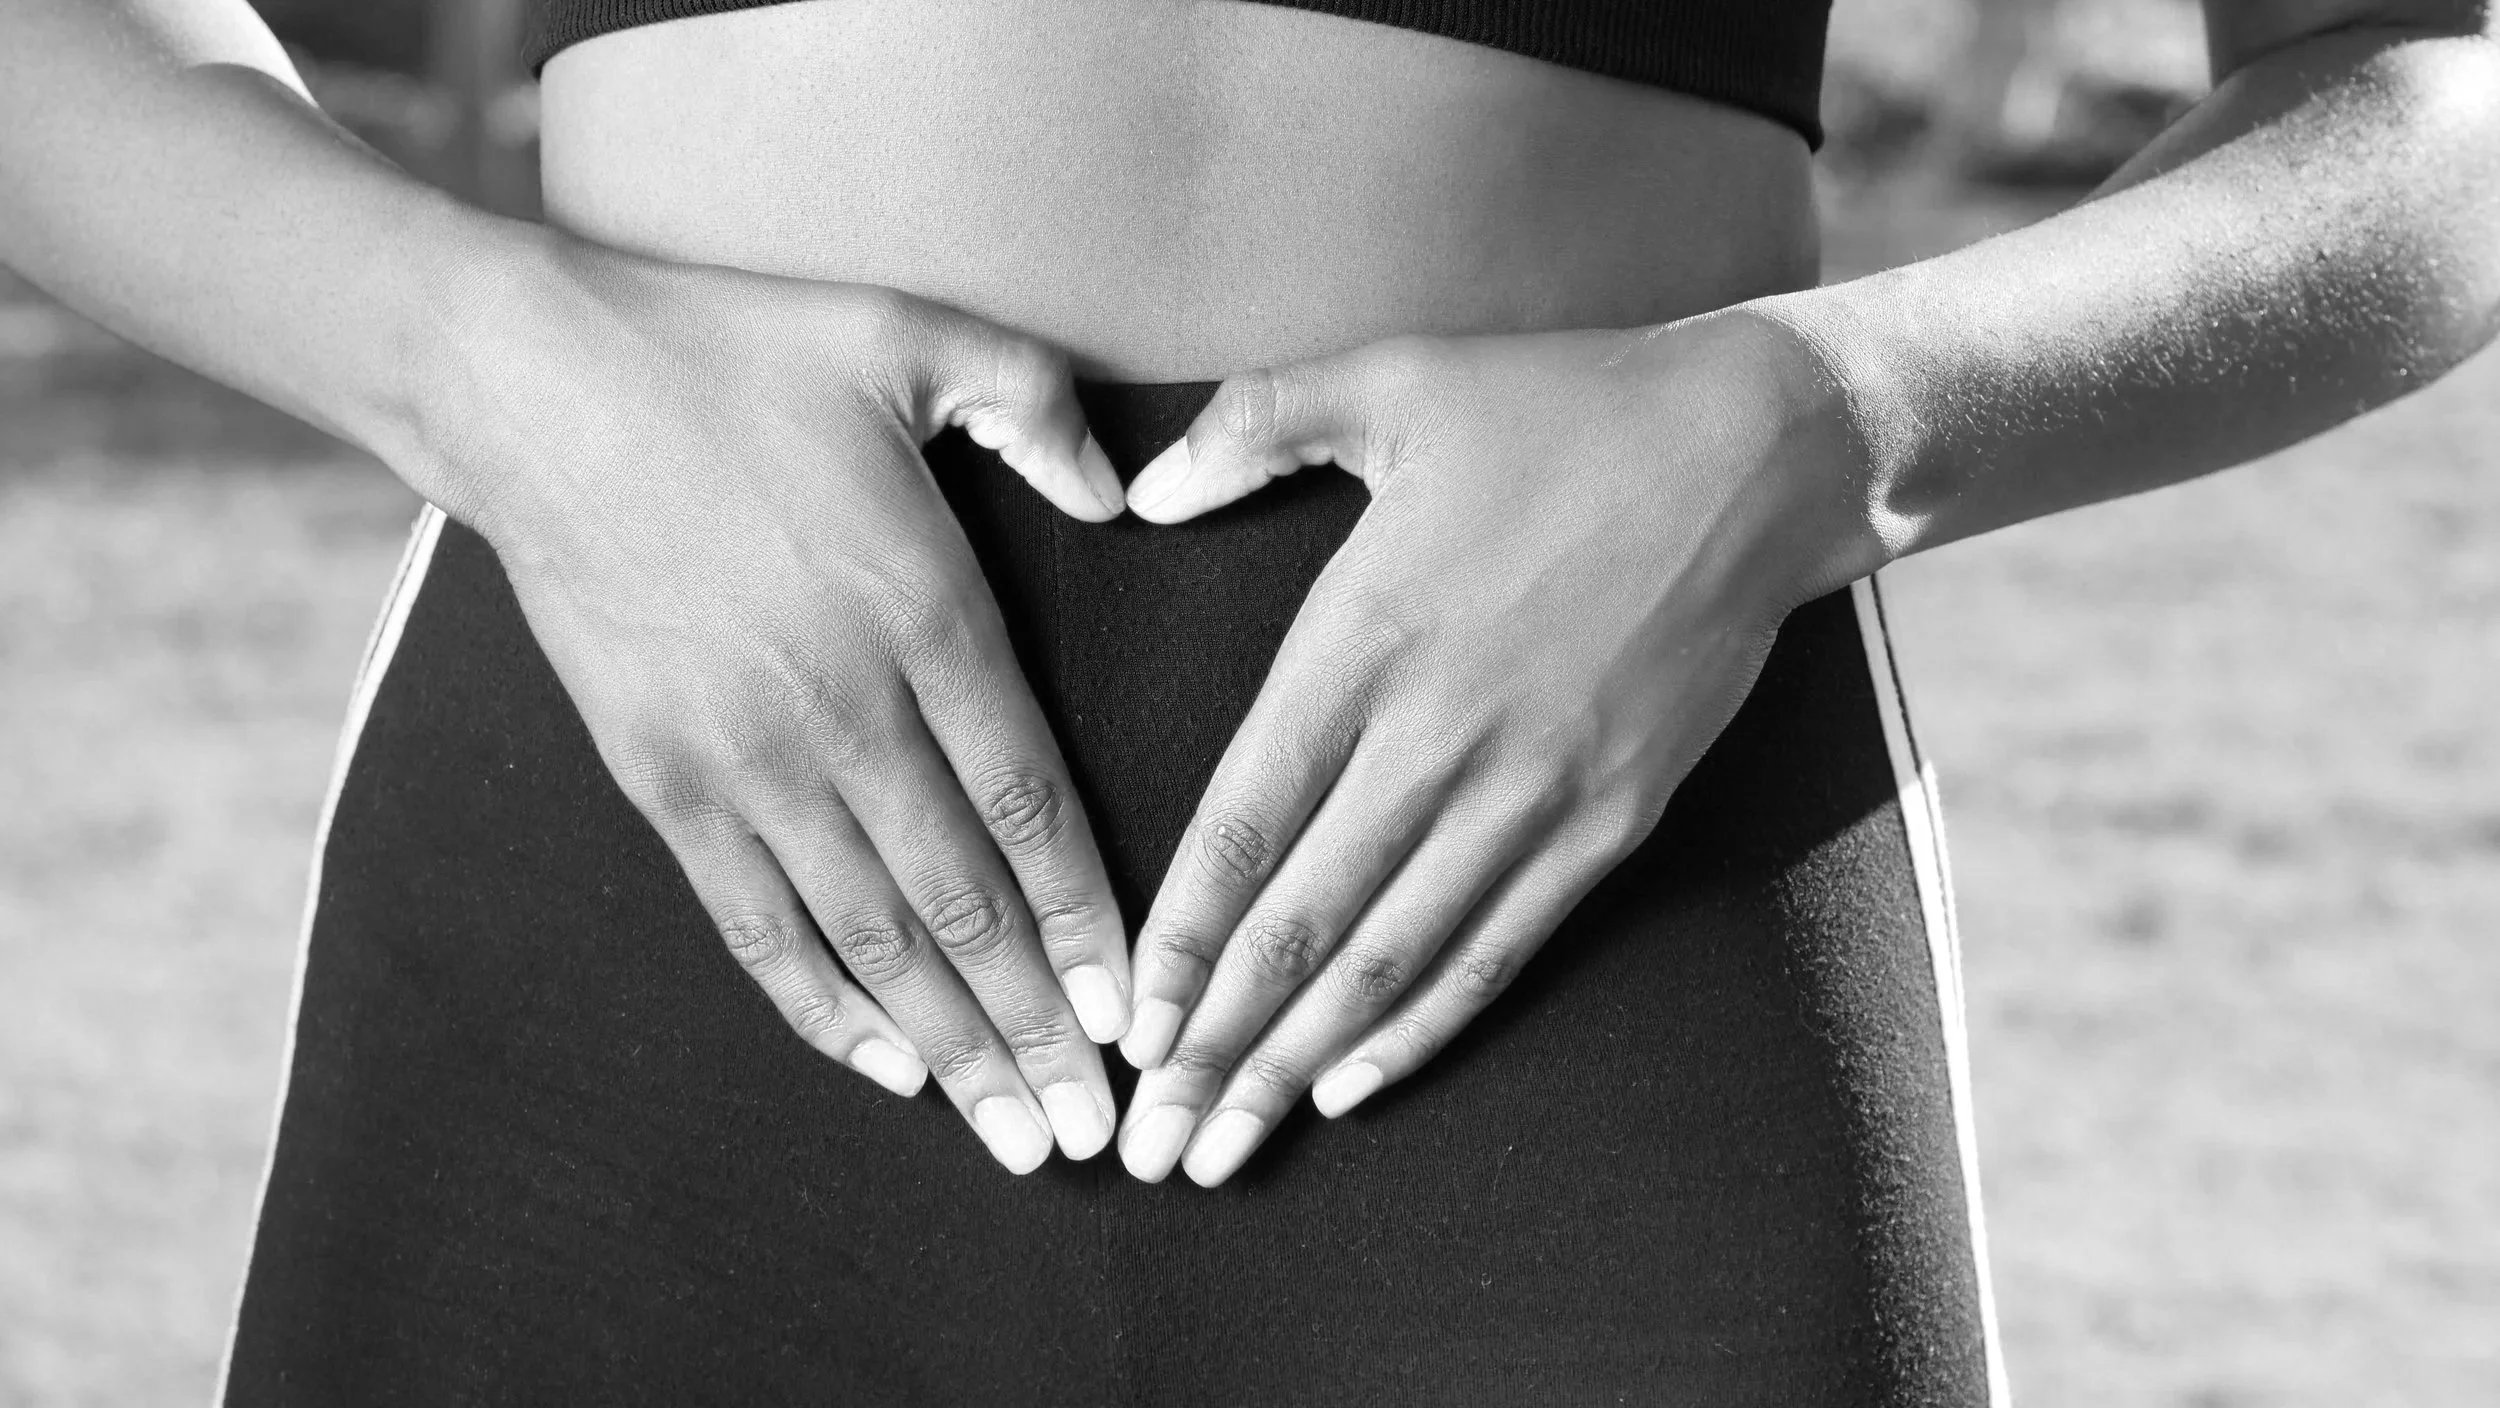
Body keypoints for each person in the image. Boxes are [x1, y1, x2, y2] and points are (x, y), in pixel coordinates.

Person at [5, 0, 2495, 1402]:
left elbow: (2422, 106)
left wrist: (1812, 424)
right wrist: (487, 367)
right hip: (662, 854)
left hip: (1598, 882)